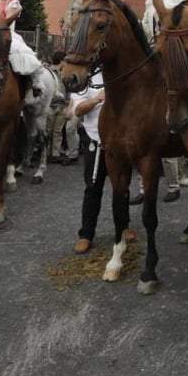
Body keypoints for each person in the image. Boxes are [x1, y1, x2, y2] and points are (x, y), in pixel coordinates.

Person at [135, 0, 188, 203]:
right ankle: (143, 186)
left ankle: (179, 173)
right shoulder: (149, 2)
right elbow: (148, 30)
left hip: (179, 54)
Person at [70, 84, 106, 254]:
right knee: (92, 188)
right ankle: (86, 234)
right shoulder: (86, 80)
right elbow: (77, 110)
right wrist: (97, 99)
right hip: (94, 139)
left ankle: (124, 226)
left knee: (122, 186)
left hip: (118, 139)